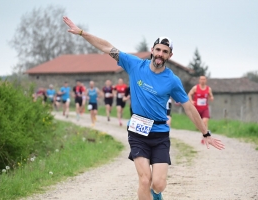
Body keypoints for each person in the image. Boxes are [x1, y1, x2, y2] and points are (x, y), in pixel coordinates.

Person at [63, 16, 224, 200]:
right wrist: (82, 33)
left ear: (170, 56)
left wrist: (205, 133)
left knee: (158, 184)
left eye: (165, 51)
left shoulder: (172, 80)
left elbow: (189, 107)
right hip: (138, 132)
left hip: (160, 134)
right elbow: (107, 47)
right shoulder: (134, 65)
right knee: (144, 180)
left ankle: (157, 194)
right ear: (152, 50)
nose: (160, 54)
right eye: (158, 50)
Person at [188, 76, 214, 143]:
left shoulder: (208, 89)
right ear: (199, 80)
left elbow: (211, 96)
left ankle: (204, 138)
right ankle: (206, 133)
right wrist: (191, 101)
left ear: (206, 80)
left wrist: (211, 98)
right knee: (198, 125)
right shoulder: (195, 88)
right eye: (201, 79)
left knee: (204, 121)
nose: (203, 80)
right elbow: (189, 94)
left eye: (204, 79)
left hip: (205, 108)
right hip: (196, 109)